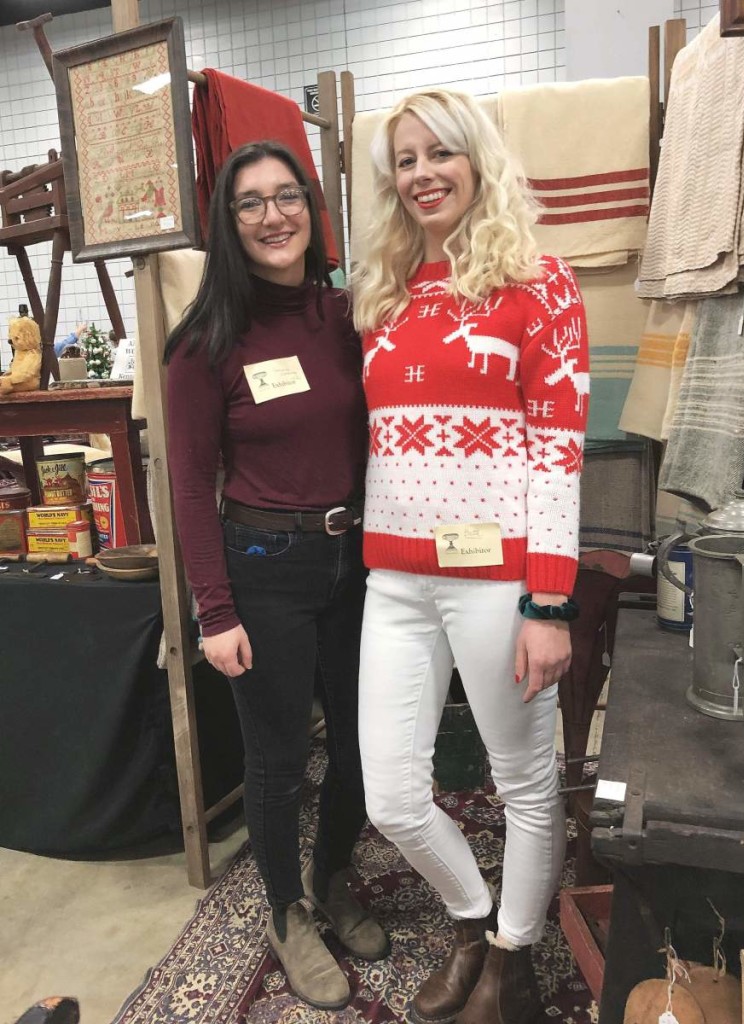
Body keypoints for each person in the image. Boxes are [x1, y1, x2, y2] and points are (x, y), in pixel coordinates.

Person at [352, 89, 589, 1024]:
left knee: (525, 781)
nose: (422, 175)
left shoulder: (540, 282)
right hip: (395, 580)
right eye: (405, 160)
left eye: (439, 154)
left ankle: (511, 960)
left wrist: (550, 603)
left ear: (478, 159)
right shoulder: (381, 291)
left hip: (501, 583)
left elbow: (557, 449)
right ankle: (473, 916)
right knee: (392, 797)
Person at [164, 140, 388, 1011]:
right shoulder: (206, 340)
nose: (272, 215)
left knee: (367, 745)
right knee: (281, 759)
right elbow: (189, 487)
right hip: (264, 565)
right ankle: (285, 911)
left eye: (286, 196)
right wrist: (214, 612)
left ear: (312, 207)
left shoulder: (346, 315)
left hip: (358, 559)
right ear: (228, 223)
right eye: (249, 202)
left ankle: (331, 875)